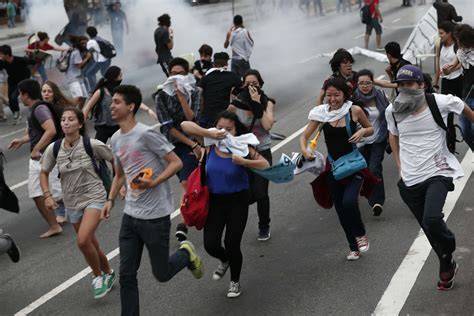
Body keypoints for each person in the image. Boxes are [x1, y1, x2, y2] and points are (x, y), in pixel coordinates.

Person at [102, 84, 203, 315]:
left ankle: (186, 253)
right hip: (130, 216)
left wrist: (155, 182)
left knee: (162, 273)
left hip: (155, 217)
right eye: (112, 102)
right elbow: (119, 173)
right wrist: (110, 200)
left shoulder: (146, 135)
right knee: (127, 274)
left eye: (117, 102)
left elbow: (176, 162)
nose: (112, 106)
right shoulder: (116, 138)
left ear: (131, 106)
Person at [385, 64, 474, 290]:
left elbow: (461, 105)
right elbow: (393, 136)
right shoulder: (393, 110)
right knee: (429, 229)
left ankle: (449, 245)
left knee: (431, 219)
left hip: (438, 170)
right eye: (401, 85)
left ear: (421, 85)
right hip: (410, 178)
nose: (405, 88)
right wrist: (398, 164)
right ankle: (446, 262)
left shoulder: (438, 101)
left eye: (410, 84)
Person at [181, 111, 270, 298]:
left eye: (228, 129)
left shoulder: (243, 146)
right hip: (214, 202)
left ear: (236, 130)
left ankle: (234, 281)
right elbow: (184, 126)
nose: (224, 132)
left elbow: (265, 165)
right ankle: (225, 260)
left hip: (238, 201)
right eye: (220, 128)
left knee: (232, 243)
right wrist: (210, 133)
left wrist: (244, 161)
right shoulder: (210, 144)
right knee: (210, 244)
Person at [40, 107, 116, 299]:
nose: (65, 122)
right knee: (90, 242)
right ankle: (109, 273)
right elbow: (44, 172)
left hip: (94, 197)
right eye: (63, 119)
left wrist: (118, 185)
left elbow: (116, 159)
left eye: (71, 119)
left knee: (82, 241)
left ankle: (97, 276)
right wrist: (47, 195)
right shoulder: (54, 148)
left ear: (80, 124)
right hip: (72, 202)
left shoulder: (92, 144)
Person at [300, 77, 374, 261]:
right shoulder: (321, 114)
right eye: (329, 95)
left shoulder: (354, 110)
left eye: (337, 95)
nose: (332, 99)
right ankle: (353, 247)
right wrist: (305, 150)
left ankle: (361, 234)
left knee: (350, 202)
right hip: (333, 167)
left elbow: (370, 128)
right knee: (340, 209)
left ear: (345, 94)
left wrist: (362, 131)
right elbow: (304, 137)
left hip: (354, 165)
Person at [7, 79, 62, 239]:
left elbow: (50, 130)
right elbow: (35, 131)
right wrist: (22, 140)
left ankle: (81, 210)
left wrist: (37, 148)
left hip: (45, 156)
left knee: (55, 193)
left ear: (26, 95)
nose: (19, 98)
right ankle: (54, 225)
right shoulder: (33, 109)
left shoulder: (39, 109)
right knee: (37, 193)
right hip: (39, 158)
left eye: (20, 94)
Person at [155, 57, 201, 241]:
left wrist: (182, 97)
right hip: (175, 144)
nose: (176, 78)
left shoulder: (196, 92)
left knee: (186, 183)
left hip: (194, 138)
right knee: (187, 182)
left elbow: (193, 119)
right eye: (173, 74)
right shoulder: (161, 97)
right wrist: (193, 145)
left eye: (180, 74)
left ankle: (183, 223)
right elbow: (169, 128)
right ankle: (190, 215)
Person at [228, 69, 275, 240]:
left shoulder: (267, 102)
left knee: (261, 192)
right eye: (247, 84)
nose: (251, 87)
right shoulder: (238, 103)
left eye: (254, 84)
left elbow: (268, 125)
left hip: (262, 151)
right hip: (243, 152)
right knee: (246, 195)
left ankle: (264, 226)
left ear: (261, 85)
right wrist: (231, 101)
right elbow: (224, 123)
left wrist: (257, 104)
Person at [83, 66, 157, 144]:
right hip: (103, 126)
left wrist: (148, 109)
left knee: (126, 145)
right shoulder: (101, 92)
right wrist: (81, 123)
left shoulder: (120, 91)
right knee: (97, 149)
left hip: (117, 125)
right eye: (120, 76)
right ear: (114, 77)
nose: (121, 78)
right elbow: (88, 106)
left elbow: (135, 101)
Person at [352, 69, 389, 216]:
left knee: (374, 168)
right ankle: (364, 192)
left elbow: (388, 114)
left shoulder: (380, 96)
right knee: (363, 171)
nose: (365, 86)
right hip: (359, 142)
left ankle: (377, 201)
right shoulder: (351, 99)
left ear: (373, 83)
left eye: (368, 83)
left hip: (377, 139)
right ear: (357, 84)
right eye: (361, 83)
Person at [41, 80, 74, 224]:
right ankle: (63, 210)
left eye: (49, 91)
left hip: (61, 147)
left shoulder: (60, 108)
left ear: (54, 93)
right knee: (57, 179)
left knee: (59, 179)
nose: (46, 94)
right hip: (51, 149)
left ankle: (64, 210)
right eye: (44, 91)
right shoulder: (41, 109)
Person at [442, 24, 474, 151]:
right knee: (464, 129)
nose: (458, 43)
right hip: (466, 95)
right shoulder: (461, 52)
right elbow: (451, 69)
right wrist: (446, 70)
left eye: (459, 40)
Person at [198, 52, 242, 128]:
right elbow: (242, 88)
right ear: (227, 64)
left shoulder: (206, 77)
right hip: (224, 116)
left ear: (213, 63)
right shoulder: (232, 76)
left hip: (207, 115)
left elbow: (199, 93)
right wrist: (234, 94)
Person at [0, 44, 35, 125]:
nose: (0, 55)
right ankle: (16, 114)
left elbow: (33, 62)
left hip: (22, 81)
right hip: (12, 82)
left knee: (13, 97)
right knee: (11, 99)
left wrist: (32, 72)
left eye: (1, 54)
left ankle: (18, 113)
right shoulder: (3, 62)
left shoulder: (20, 60)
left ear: (7, 54)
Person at [434, 21, 463, 97]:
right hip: (445, 80)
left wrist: (450, 71)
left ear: (449, 33)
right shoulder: (439, 44)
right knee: (446, 105)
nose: (439, 36)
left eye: (441, 33)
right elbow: (438, 65)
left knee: (460, 104)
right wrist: (435, 84)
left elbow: (461, 63)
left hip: (458, 79)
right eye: (439, 33)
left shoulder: (457, 45)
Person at [84, 26, 113, 93]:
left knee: (89, 73)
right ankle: (112, 86)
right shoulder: (101, 39)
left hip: (101, 61)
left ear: (88, 34)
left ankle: (94, 90)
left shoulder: (91, 42)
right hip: (108, 59)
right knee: (104, 73)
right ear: (96, 32)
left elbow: (89, 53)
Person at [66, 36, 91, 109]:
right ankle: (68, 112)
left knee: (84, 97)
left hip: (78, 77)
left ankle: (78, 113)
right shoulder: (76, 52)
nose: (84, 45)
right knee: (78, 96)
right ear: (78, 43)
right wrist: (87, 58)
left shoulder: (77, 51)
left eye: (86, 43)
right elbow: (79, 65)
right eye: (82, 43)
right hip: (72, 77)